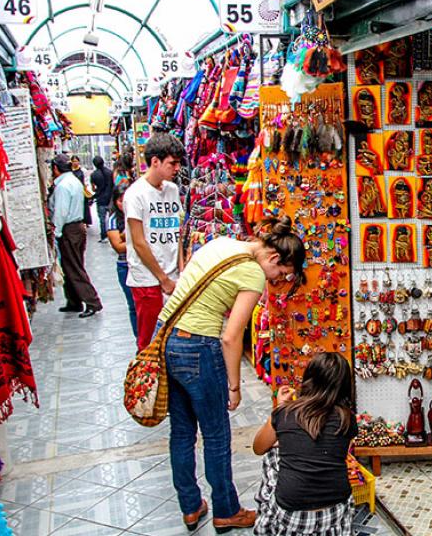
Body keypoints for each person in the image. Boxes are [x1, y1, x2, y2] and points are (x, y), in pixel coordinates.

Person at [160, 217, 306, 534]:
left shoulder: (220, 244)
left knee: (182, 433)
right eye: (281, 273)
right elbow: (231, 336)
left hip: (167, 338)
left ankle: (190, 506)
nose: (277, 279)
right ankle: (226, 510)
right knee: (216, 435)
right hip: (199, 346)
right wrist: (234, 385)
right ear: (273, 258)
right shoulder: (253, 272)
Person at [251, 352, 357, 536]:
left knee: (273, 455)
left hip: (292, 515)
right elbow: (337, 451)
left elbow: (258, 448)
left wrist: (278, 408)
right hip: (335, 512)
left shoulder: (284, 413)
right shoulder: (348, 419)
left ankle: (266, 525)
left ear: (309, 379)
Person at [124, 132, 185, 351]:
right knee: (149, 342)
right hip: (147, 280)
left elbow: (177, 232)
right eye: (172, 163)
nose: (177, 169)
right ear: (155, 161)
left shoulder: (172, 190)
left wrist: (180, 269)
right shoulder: (136, 194)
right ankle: (146, 384)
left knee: (173, 338)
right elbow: (139, 242)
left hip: (172, 276)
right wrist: (163, 279)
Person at [50, 153, 102, 318]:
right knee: (70, 265)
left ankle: (92, 301)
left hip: (69, 229)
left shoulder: (63, 186)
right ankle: (74, 301)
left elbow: (61, 211)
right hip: (76, 227)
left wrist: (56, 232)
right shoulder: (72, 181)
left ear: (56, 169)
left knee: (73, 267)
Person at [105, 181, 137, 339]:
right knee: (133, 306)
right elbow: (117, 246)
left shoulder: (140, 213)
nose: (124, 204)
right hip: (126, 266)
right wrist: (138, 240)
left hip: (143, 264)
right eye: (120, 201)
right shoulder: (112, 219)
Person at [91, 156, 114, 242]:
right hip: (110, 198)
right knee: (112, 218)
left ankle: (104, 236)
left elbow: (93, 188)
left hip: (100, 199)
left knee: (102, 219)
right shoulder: (110, 172)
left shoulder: (94, 175)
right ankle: (114, 234)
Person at [71, 154, 93, 226]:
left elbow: (86, 181)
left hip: (82, 191)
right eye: (73, 161)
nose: (75, 163)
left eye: (76, 161)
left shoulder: (83, 171)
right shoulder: (70, 171)